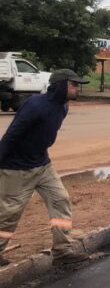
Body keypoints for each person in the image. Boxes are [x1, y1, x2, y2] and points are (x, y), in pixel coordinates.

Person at [0, 69, 90, 267]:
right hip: (17, 168)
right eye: (73, 84)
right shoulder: (35, 105)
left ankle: (62, 251)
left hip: (42, 164)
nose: (77, 88)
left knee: (60, 199)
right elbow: (11, 135)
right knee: (8, 214)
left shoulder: (62, 107)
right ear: (60, 86)